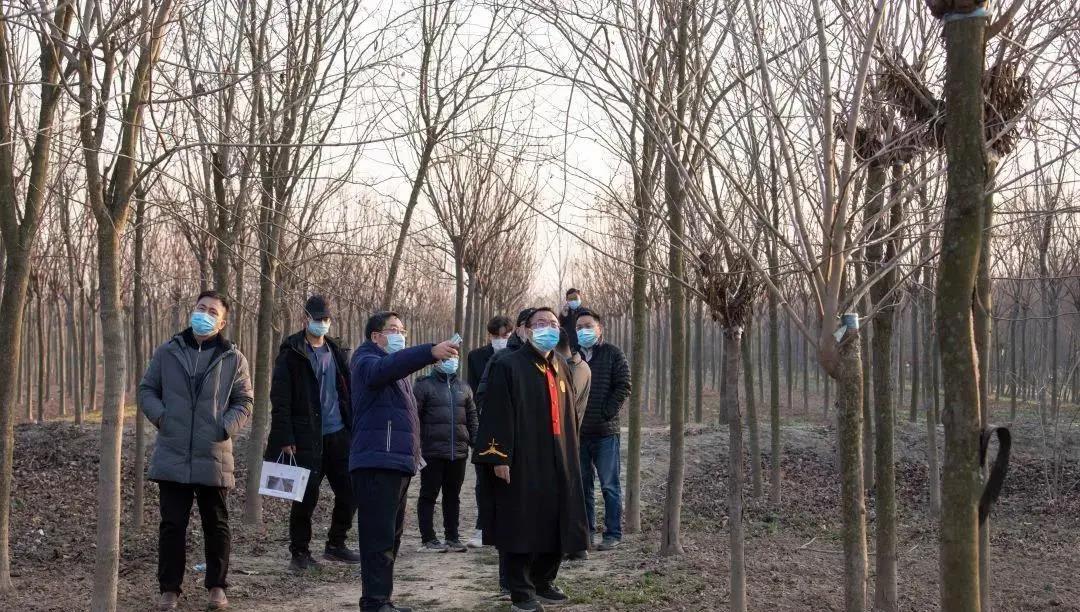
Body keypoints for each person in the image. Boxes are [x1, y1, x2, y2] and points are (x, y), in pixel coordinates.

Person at [138, 291, 253, 611]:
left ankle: (217, 586)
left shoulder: (233, 358)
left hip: (213, 454)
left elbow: (244, 401)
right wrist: (163, 418)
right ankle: (169, 589)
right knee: (172, 525)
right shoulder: (168, 352)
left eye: (213, 311)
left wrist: (223, 427)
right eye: (201, 308)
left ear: (222, 322)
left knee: (216, 524)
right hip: (172, 451)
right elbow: (147, 389)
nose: (205, 314)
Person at [474, 307, 589, 612]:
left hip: (559, 456)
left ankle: (543, 580)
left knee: (557, 518)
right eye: (540, 323)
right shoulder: (507, 364)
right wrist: (499, 457)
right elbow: (496, 411)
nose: (547, 328)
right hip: (523, 456)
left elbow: (570, 413)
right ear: (526, 330)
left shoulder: (561, 365)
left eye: (552, 323)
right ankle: (521, 592)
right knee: (521, 523)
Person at [349, 311, 459, 612]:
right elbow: (385, 369)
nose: (400, 335)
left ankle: (381, 599)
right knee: (378, 538)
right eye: (393, 330)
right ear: (376, 336)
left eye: (403, 330)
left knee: (391, 536)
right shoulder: (365, 360)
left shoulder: (396, 372)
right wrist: (429, 351)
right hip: (376, 462)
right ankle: (374, 603)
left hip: (396, 463)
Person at [266, 295, 361, 571]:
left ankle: (336, 544)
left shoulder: (337, 351)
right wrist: (285, 437)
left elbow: (347, 391)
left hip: (338, 433)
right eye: (317, 319)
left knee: (350, 490)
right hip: (306, 436)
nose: (322, 323)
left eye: (326, 319)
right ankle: (300, 552)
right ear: (305, 319)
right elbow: (280, 399)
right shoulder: (292, 354)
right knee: (305, 496)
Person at [575, 309, 631, 551]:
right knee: (583, 485)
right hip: (578, 433)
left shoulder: (613, 354)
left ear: (600, 329)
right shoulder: (573, 356)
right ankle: (586, 532)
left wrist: (606, 412)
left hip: (606, 432)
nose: (583, 331)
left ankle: (613, 533)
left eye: (588, 326)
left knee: (609, 485)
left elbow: (624, 385)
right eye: (579, 327)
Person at [413, 355, 478, 553]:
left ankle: (452, 537)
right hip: (432, 451)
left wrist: (476, 443)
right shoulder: (423, 386)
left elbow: (472, 417)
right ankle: (428, 539)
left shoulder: (464, 387)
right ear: (437, 361)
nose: (452, 361)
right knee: (428, 495)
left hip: (458, 452)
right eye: (448, 357)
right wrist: (416, 446)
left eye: (455, 357)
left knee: (453, 496)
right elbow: (414, 418)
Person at [555, 330, 592, 563]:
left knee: (568, 491)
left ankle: (575, 545)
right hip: (567, 436)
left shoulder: (574, 370)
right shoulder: (578, 367)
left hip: (565, 438)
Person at [466, 315, 513, 394]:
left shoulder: (518, 356)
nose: (500, 340)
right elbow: (473, 388)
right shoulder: (475, 356)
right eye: (496, 336)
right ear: (489, 336)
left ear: (511, 335)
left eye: (504, 336)